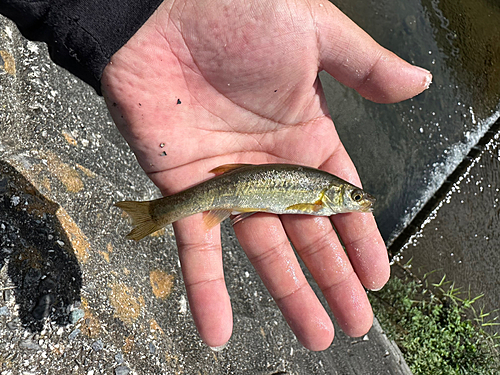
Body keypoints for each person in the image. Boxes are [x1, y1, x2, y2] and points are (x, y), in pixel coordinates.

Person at [1, 0, 431, 351]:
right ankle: (157, 212)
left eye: (354, 200)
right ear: (334, 196)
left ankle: (158, 213)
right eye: (353, 198)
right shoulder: (318, 197)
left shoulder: (316, 191)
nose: (358, 202)